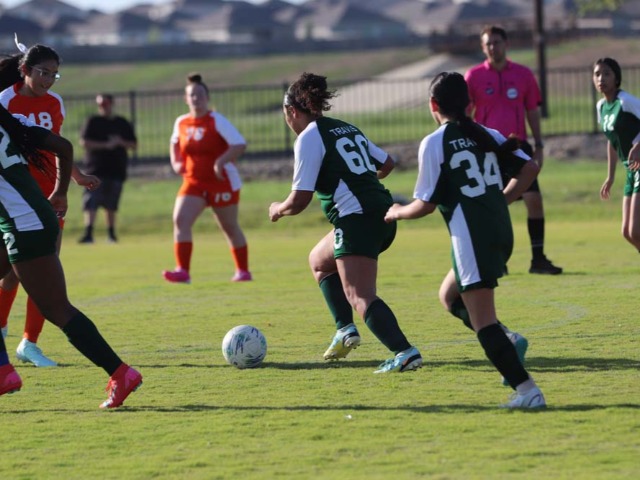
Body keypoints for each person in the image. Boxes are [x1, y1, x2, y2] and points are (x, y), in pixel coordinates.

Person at [385, 72, 545, 407]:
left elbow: (425, 205)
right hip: (500, 230)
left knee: (484, 322)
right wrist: (500, 200)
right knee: (449, 296)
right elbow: (530, 168)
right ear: (469, 103)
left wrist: (397, 212)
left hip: (472, 237)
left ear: (433, 104)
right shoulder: (486, 133)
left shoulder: (436, 141)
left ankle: (527, 391)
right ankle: (509, 341)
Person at [269, 72, 422, 373]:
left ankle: (405, 353)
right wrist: (362, 183)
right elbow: (387, 163)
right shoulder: (346, 128)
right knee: (319, 260)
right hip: (382, 214)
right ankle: (345, 330)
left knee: (360, 295)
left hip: (358, 221)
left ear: (292, 111)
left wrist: (277, 209)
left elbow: (299, 201)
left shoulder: (309, 137)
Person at [0, 101, 142, 407]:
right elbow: (63, 147)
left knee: (57, 309)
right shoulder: (10, 121)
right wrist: (61, 192)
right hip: (28, 219)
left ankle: (121, 373)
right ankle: (3, 371)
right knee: (55, 306)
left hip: (25, 226)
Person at [0, 41, 99, 367]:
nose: (48, 80)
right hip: (13, 196)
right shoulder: (5, 100)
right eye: (43, 72)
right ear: (25, 70)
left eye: (54, 74)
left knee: (46, 269)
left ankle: (29, 343)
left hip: (49, 197)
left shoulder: (55, 103)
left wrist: (74, 178)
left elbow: (57, 148)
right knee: (12, 273)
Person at [464, 25, 562, 275]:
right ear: (482, 47)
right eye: (488, 43)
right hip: (488, 151)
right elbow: (465, 114)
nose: (493, 47)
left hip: (518, 148)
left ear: (506, 44)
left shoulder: (523, 74)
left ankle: (538, 259)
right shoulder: (473, 76)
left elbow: (532, 110)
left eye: (497, 42)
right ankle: (496, 260)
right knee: (493, 204)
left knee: (534, 200)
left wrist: (538, 145)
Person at [163, 73, 251, 284]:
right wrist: (176, 163)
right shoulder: (181, 122)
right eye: (192, 95)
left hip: (221, 181)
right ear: (186, 99)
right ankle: (183, 271)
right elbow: (174, 143)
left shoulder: (216, 120)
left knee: (229, 226)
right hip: (193, 181)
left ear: (207, 97)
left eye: (200, 94)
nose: (196, 98)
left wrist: (220, 161)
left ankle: (243, 271)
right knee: (180, 220)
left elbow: (239, 144)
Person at [593, 58, 640, 251]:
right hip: (631, 170)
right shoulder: (601, 107)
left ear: (616, 78)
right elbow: (612, 141)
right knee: (627, 233)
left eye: (607, 74)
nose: (601, 78)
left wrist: (638, 146)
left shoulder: (626, 101)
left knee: (635, 231)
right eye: (597, 74)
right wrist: (610, 176)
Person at [78, 93, 137, 244]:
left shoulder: (121, 122)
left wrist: (120, 142)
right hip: (95, 169)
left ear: (111, 103)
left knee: (111, 203)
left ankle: (111, 233)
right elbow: (84, 142)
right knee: (91, 202)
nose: (102, 107)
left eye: (105, 104)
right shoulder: (93, 121)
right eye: (100, 104)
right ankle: (88, 233)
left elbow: (133, 144)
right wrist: (105, 145)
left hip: (116, 169)